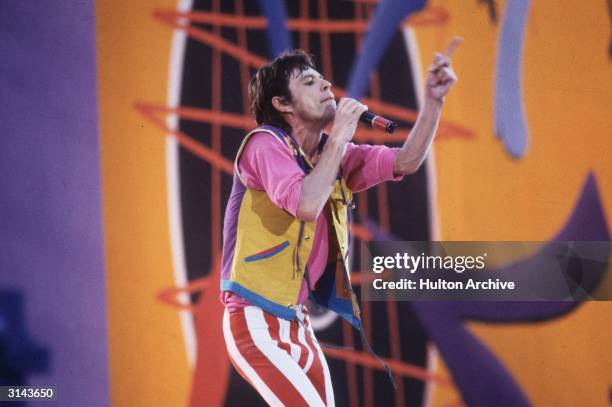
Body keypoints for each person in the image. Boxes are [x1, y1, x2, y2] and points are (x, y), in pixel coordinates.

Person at [219, 46, 457, 406]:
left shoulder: (335, 153)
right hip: (253, 320)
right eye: (310, 82)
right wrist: (343, 134)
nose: (327, 85)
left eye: (323, 79)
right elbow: (306, 203)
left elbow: (406, 161)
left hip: (297, 323)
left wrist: (433, 102)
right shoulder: (264, 144)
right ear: (283, 103)